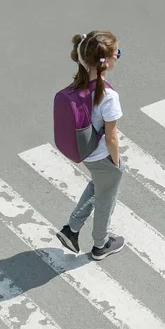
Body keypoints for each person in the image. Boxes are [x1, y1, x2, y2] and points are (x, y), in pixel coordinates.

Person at [56, 30, 126, 261]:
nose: (118, 56)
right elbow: (111, 137)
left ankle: (72, 229)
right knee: (106, 198)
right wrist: (116, 163)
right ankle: (101, 244)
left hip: (86, 151)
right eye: (118, 53)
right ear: (106, 61)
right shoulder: (108, 96)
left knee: (98, 186)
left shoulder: (79, 82)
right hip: (103, 156)